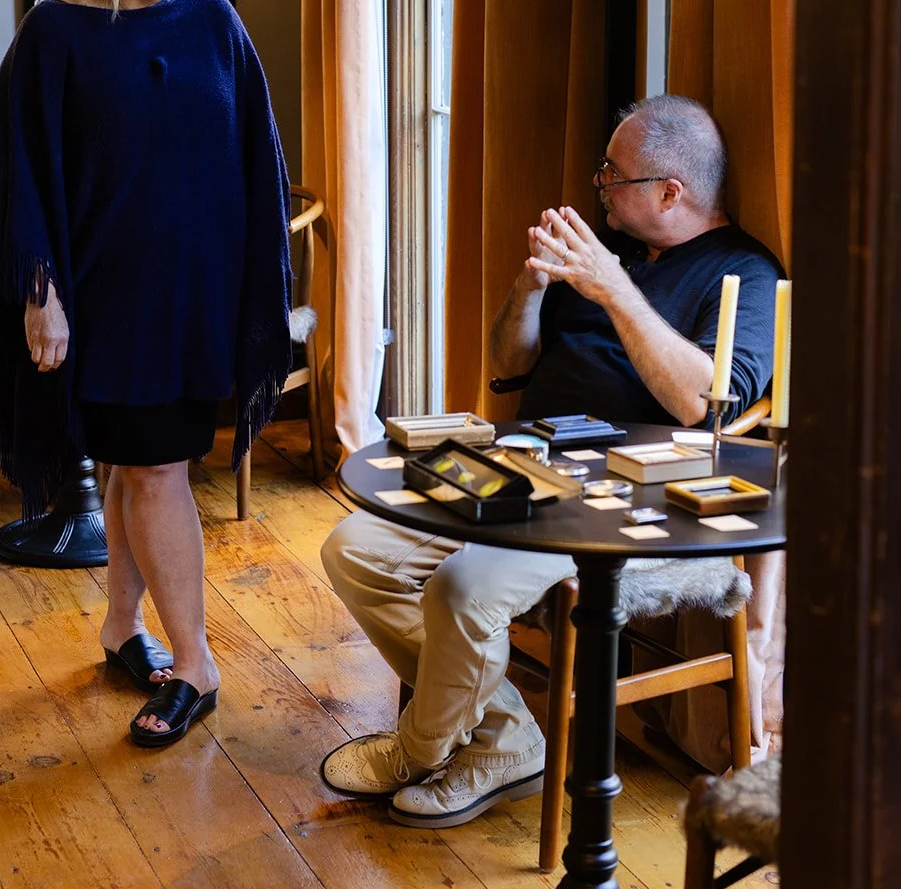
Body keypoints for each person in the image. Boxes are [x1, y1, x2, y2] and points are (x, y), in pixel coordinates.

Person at [320, 95, 783, 827]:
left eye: (614, 175)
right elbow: (508, 366)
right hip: (520, 462)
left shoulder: (743, 273)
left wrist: (611, 288)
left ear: (671, 192)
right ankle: (505, 738)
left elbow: (707, 404)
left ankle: (418, 749)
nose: (599, 186)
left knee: (464, 588)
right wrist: (530, 287)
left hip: (621, 500)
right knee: (354, 548)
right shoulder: (608, 253)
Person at [0, 0, 292, 748]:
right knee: (144, 468)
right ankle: (194, 661)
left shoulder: (213, 19)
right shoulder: (55, 34)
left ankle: (130, 630)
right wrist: (41, 296)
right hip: (106, 301)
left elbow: (256, 154)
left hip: (193, 299)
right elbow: (20, 173)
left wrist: (252, 285)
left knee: (144, 466)